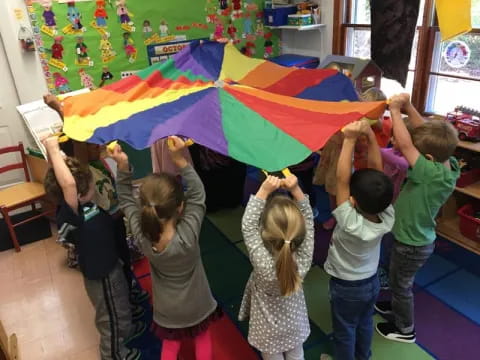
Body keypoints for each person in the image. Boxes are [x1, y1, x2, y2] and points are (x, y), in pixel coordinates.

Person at [110, 137, 221, 360]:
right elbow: (198, 194)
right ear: (180, 207)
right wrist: (179, 159)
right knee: (203, 338)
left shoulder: (143, 237)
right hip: (198, 304)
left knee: (170, 345)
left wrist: (122, 167)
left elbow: (125, 200)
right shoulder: (188, 235)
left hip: (167, 310)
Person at [42, 136, 143, 360]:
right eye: (88, 184)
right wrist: (52, 147)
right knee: (110, 316)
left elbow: (63, 179)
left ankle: (125, 331)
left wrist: (54, 157)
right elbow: (67, 183)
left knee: (121, 303)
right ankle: (114, 354)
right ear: (76, 194)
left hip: (110, 264)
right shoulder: (71, 213)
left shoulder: (85, 204)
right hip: (101, 274)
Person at [375, 94, 460, 343]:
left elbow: (407, 144)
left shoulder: (430, 173)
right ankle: (395, 306)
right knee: (396, 278)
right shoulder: (447, 162)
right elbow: (425, 135)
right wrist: (409, 106)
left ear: (428, 160)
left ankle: (405, 329)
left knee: (401, 286)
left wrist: (394, 109)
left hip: (412, 243)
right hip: (409, 238)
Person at [324, 120, 395, 360]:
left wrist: (349, 139)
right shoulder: (387, 213)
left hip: (346, 286)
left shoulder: (350, 222)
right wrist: (370, 136)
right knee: (364, 324)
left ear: (352, 201)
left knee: (344, 330)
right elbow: (377, 173)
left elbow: (341, 180)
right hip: (370, 282)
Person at [239, 174, 315, 360]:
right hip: (295, 326)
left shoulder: (264, 264)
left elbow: (248, 226)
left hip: (268, 331)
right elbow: (309, 221)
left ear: (263, 233)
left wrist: (264, 190)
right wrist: (296, 190)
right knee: (297, 356)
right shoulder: (303, 261)